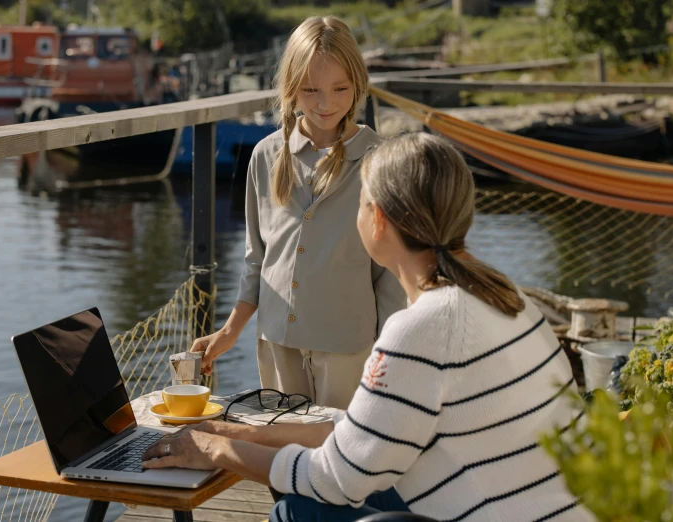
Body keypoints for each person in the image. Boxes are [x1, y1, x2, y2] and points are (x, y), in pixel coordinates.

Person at [143, 133, 594, 522]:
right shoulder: (507, 298)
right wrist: (238, 434)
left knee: (296, 509)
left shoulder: (421, 331)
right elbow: (369, 429)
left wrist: (213, 451)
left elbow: (332, 479)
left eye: (359, 202)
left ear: (377, 220)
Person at [190, 16, 406, 409]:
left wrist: (389, 353)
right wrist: (230, 330)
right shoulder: (264, 156)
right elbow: (257, 260)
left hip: (348, 348)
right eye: (310, 90)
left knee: (340, 457)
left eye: (340, 88)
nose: (326, 103)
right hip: (276, 344)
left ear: (358, 84)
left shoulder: (382, 163)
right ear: (291, 87)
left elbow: (390, 275)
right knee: (283, 457)